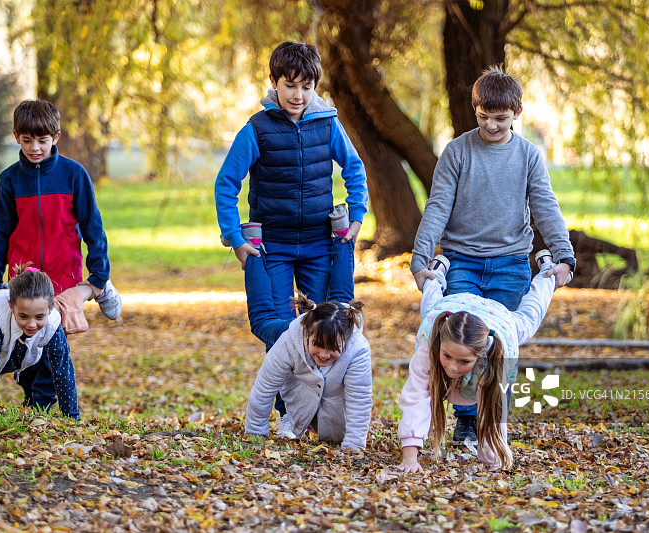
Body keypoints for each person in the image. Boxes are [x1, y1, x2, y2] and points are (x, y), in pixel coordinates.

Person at [409, 65, 575, 445]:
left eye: (501, 119)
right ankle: (467, 421)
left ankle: (493, 426)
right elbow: (436, 208)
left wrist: (564, 256)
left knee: (497, 347)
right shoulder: (457, 152)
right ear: (475, 110)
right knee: (464, 342)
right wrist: (420, 262)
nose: (493, 126)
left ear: (518, 113)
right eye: (484, 118)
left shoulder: (528, 157)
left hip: (510, 265)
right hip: (462, 261)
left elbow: (546, 207)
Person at [214, 40, 368, 324]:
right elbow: (226, 184)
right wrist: (235, 239)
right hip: (273, 248)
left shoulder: (328, 124)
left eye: (306, 87)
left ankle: (315, 372)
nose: (298, 95)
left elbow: (354, 168)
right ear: (273, 81)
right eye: (290, 85)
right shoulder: (256, 130)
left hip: (318, 245)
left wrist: (357, 215)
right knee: (280, 331)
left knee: (320, 328)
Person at [0, 99, 121, 410]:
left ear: (56, 137)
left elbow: (93, 227)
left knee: (53, 348)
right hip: (23, 282)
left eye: (42, 140)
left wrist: (99, 274)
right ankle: (33, 397)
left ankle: (42, 409)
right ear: (16, 136)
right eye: (28, 139)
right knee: (28, 347)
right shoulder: (9, 180)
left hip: (62, 282)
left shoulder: (74, 175)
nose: (35, 147)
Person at [397, 252, 559, 471]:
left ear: (480, 355)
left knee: (531, 314)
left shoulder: (497, 352)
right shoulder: (432, 337)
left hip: (499, 318)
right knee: (429, 305)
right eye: (447, 356)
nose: (453, 367)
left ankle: (547, 273)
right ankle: (436, 272)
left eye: (464, 361)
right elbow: (416, 397)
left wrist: (494, 459)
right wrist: (409, 457)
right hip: (450, 307)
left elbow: (492, 408)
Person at [243, 234, 372, 450]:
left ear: (345, 342)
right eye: (318, 346)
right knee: (262, 320)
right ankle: (254, 247)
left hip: (336, 322)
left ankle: (343, 237)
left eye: (332, 350)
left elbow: (360, 400)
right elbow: (265, 387)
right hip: (294, 331)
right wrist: (256, 433)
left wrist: (353, 445)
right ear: (307, 333)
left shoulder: (356, 348)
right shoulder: (290, 340)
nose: (323, 354)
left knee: (342, 298)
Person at [0, 265, 80, 420]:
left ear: (50, 308)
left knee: (33, 361)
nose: (31, 324)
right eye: (23, 316)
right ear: (11, 307)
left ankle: (32, 403)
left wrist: (72, 417)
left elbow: (63, 371)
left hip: (23, 345)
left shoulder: (53, 322)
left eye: (39, 317)